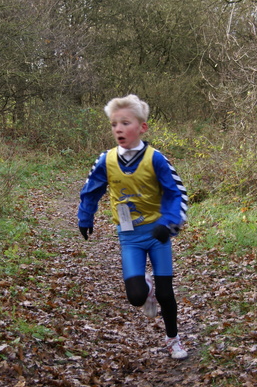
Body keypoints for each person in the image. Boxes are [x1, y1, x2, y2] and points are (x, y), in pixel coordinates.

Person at [77, 94, 189, 360]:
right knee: (137, 296)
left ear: (142, 127)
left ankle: (173, 340)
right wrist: (85, 217)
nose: (118, 129)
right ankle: (146, 288)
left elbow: (177, 193)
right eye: (114, 123)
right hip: (129, 236)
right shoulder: (106, 160)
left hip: (157, 232)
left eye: (125, 123)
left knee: (166, 293)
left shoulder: (156, 159)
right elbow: (90, 191)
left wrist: (169, 223)